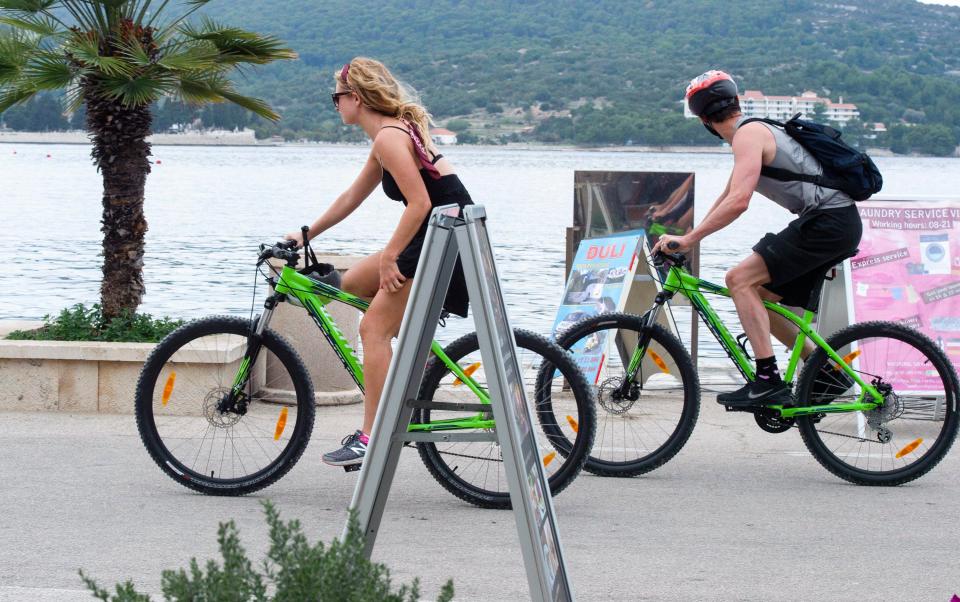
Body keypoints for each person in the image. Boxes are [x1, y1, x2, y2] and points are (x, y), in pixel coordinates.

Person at [285, 57, 473, 466]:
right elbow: (351, 198)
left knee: (371, 328)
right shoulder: (386, 137)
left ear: (355, 97)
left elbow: (421, 202)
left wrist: (391, 255)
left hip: (441, 234)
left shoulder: (390, 137)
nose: (334, 104)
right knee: (351, 284)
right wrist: (305, 235)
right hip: (441, 230)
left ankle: (373, 434)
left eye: (336, 97)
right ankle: (414, 353)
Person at [653, 70, 862, 406]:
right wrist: (689, 237)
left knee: (738, 280)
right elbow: (727, 196)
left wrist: (690, 240)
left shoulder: (748, 136)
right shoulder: (753, 132)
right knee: (762, 300)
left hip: (828, 222)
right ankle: (826, 373)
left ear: (704, 120)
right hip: (834, 223)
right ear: (735, 102)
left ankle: (767, 380)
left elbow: (739, 202)